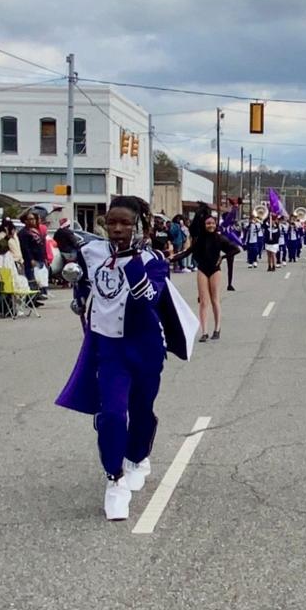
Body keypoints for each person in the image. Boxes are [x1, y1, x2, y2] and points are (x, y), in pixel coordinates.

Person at [56, 195, 198, 521]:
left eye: (125, 223)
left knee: (141, 411)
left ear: (138, 227)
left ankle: (137, 456)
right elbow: (75, 273)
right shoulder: (91, 253)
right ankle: (114, 479)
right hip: (110, 350)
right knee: (112, 414)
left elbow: (147, 297)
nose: (117, 229)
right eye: (112, 223)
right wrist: (77, 290)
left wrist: (132, 258)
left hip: (145, 347)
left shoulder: (153, 260)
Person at [173, 213, 240, 342]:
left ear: (216, 225)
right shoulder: (199, 239)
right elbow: (188, 252)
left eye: (213, 223)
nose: (210, 225)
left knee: (215, 300)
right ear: (204, 225)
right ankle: (204, 332)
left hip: (215, 270)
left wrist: (223, 257)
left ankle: (217, 329)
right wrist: (173, 258)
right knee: (204, 302)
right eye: (208, 223)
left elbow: (236, 249)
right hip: (202, 269)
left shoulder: (220, 238)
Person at [18, 210, 47, 300]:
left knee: (40, 279)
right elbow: (25, 248)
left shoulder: (35, 230)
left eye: (33, 219)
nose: (32, 221)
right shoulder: (24, 233)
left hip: (40, 258)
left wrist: (45, 257)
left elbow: (42, 244)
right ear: (25, 221)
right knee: (32, 279)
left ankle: (37, 297)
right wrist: (30, 259)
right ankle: (31, 300)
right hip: (31, 260)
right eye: (30, 219)